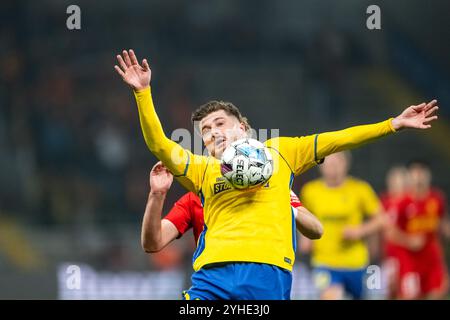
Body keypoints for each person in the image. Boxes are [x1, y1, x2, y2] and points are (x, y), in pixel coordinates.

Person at [114, 49, 439, 300]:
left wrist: (392, 124)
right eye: (205, 132)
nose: (213, 133)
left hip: (266, 273)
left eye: (219, 124)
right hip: (211, 276)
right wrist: (143, 94)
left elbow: (337, 138)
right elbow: (159, 144)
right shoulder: (202, 170)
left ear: (242, 127)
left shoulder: (280, 152)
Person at [141, 161, 323, 255]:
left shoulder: (273, 186)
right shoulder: (194, 198)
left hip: (262, 285)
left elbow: (316, 229)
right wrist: (157, 194)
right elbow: (153, 243)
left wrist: (283, 205)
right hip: (214, 285)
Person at [299, 152, 385, 299]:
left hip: (356, 262)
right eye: (329, 164)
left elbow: (382, 219)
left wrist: (360, 231)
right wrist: (304, 237)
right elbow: (303, 217)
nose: (333, 168)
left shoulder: (360, 189)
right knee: (331, 296)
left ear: (346, 164)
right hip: (324, 262)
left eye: (337, 163)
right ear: (321, 166)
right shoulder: (311, 191)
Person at [384, 160, 450, 299]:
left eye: (422, 172)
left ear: (429, 175)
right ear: (409, 177)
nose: (419, 176)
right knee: (410, 295)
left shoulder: (437, 198)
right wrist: (409, 241)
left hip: (431, 257)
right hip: (409, 260)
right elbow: (389, 232)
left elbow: (441, 223)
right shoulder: (402, 202)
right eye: (415, 172)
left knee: (439, 291)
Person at [379, 166, 410, 299]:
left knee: (407, 291)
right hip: (390, 254)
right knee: (390, 289)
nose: (394, 184)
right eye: (392, 181)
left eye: (398, 181)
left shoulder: (410, 202)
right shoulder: (384, 201)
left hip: (408, 256)